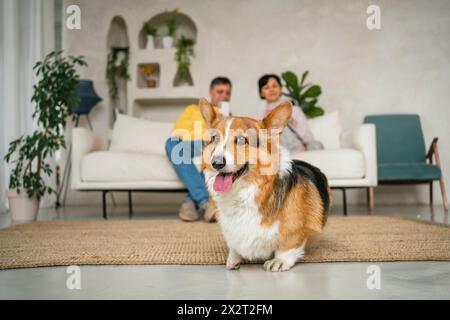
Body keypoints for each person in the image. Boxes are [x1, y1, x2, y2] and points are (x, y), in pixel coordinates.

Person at [165, 77, 232, 222]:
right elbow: (178, 131)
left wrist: (224, 121)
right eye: (220, 91)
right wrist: (199, 142)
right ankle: (205, 202)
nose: (224, 96)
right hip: (190, 145)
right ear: (211, 92)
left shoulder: (228, 116)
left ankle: (191, 202)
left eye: (228, 93)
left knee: (214, 151)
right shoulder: (192, 109)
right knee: (171, 142)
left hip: (213, 145)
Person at [258, 74, 323, 152]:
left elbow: (308, 138)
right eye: (266, 87)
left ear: (281, 88)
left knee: (316, 145)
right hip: (276, 150)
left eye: (274, 86)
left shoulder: (295, 110)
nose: (271, 90)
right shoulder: (258, 117)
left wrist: (290, 121)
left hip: (300, 146)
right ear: (261, 93)